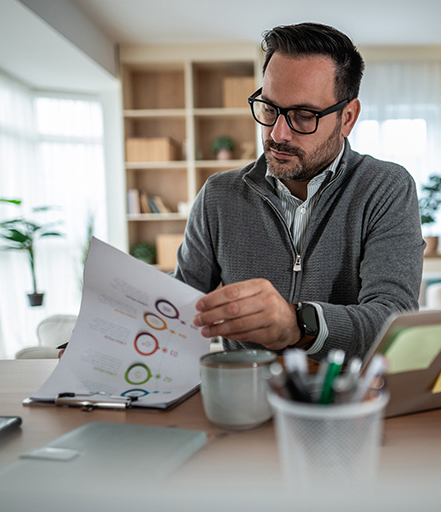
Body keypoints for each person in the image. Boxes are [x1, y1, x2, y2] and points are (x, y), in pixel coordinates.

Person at [180, 22, 425, 361]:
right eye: (269, 108)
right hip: (243, 398)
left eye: (304, 115)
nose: (279, 133)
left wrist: (298, 325)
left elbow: (393, 319)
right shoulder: (218, 195)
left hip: (345, 398)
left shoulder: (385, 188)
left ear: (348, 117)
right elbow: (179, 306)